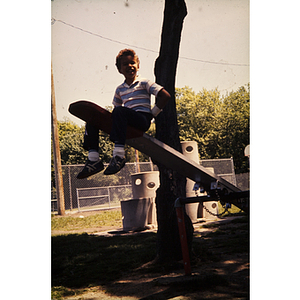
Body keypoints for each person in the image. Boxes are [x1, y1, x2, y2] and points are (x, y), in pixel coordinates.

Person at [77, 48, 171, 179]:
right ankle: (93, 159)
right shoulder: (119, 89)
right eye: (125, 64)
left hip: (142, 120)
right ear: (119, 69)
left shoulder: (144, 82)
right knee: (93, 119)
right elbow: (116, 110)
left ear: (138, 65)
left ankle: (119, 156)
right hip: (127, 120)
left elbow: (165, 96)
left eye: (132, 63)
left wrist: (152, 115)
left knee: (119, 111)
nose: (129, 66)